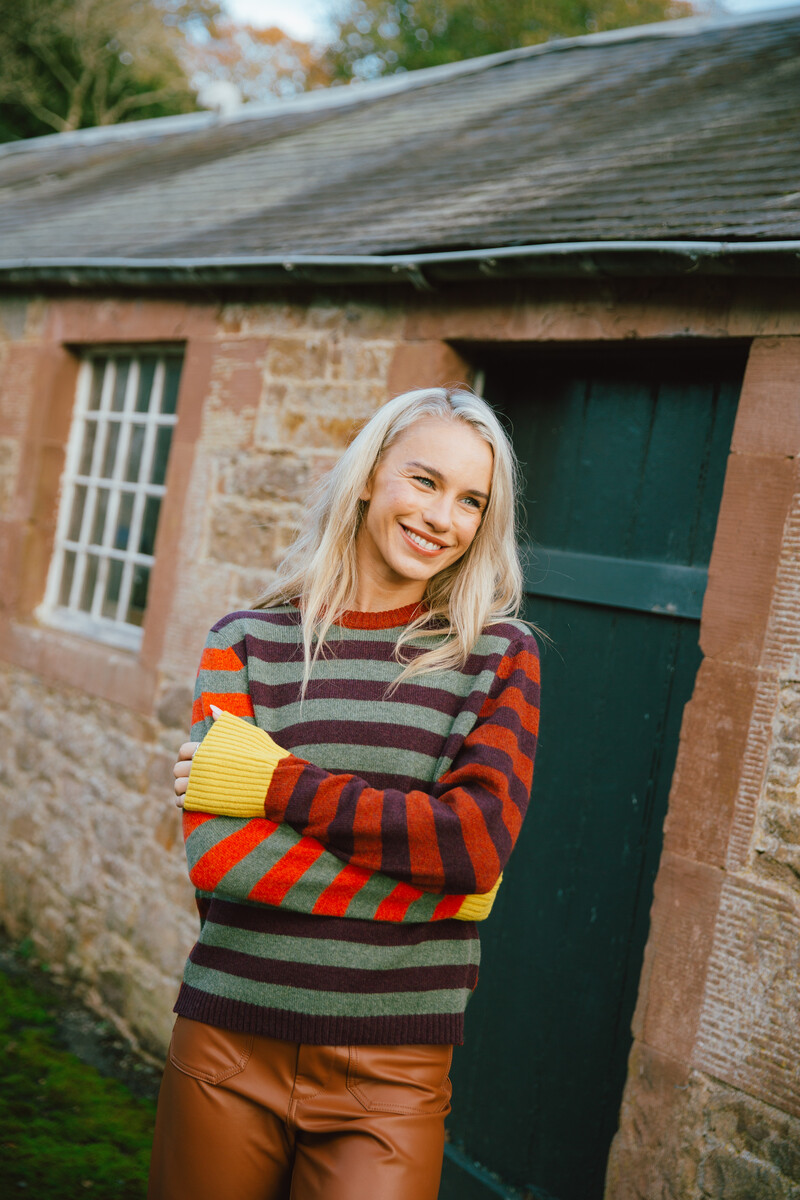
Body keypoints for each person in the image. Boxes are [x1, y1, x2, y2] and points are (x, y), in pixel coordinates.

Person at [147, 386, 541, 1200]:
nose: (444, 517)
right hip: (226, 1039)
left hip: (391, 1072)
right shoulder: (244, 641)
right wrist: (437, 893)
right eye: (424, 481)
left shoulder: (497, 656)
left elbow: (471, 847)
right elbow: (220, 860)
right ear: (369, 478)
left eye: (473, 501)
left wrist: (274, 783)